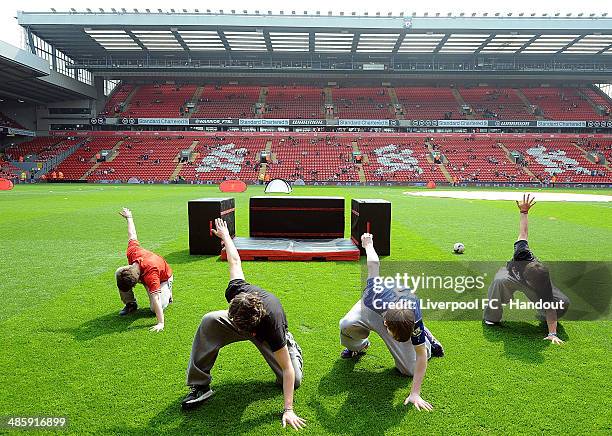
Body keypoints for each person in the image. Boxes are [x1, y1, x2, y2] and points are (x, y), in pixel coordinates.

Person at [182, 219, 306, 430]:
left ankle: (292, 345)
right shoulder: (237, 291)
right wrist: (226, 237)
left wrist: (288, 409)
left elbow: (286, 369)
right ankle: (200, 385)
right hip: (242, 318)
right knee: (209, 320)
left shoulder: (271, 324)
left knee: (293, 380)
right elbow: (235, 262)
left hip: (267, 331)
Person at [339, 233, 444, 412]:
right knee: (346, 325)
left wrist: (415, 393)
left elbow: (419, 357)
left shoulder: (414, 314)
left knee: (409, 370)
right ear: (386, 324)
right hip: (369, 308)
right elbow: (373, 264)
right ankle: (358, 347)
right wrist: (368, 244)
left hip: (400, 314)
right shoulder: (374, 292)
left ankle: (427, 339)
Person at [483, 194, 570, 345]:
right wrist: (524, 212)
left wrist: (552, 333)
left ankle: (545, 319)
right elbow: (523, 233)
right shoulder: (522, 253)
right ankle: (491, 317)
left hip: (533, 280)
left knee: (562, 303)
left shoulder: (542, 280)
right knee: (499, 280)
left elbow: (550, 306)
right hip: (510, 275)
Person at [115, 208, 173, 332]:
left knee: (155, 307)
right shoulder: (133, 252)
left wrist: (160, 323)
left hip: (163, 277)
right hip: (143, 271)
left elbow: (156, 298)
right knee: (119, 272)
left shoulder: (151, 274)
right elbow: (132, 235)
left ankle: (168, 291)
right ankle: (131, 304)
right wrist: (129, 218)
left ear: (137, 282)